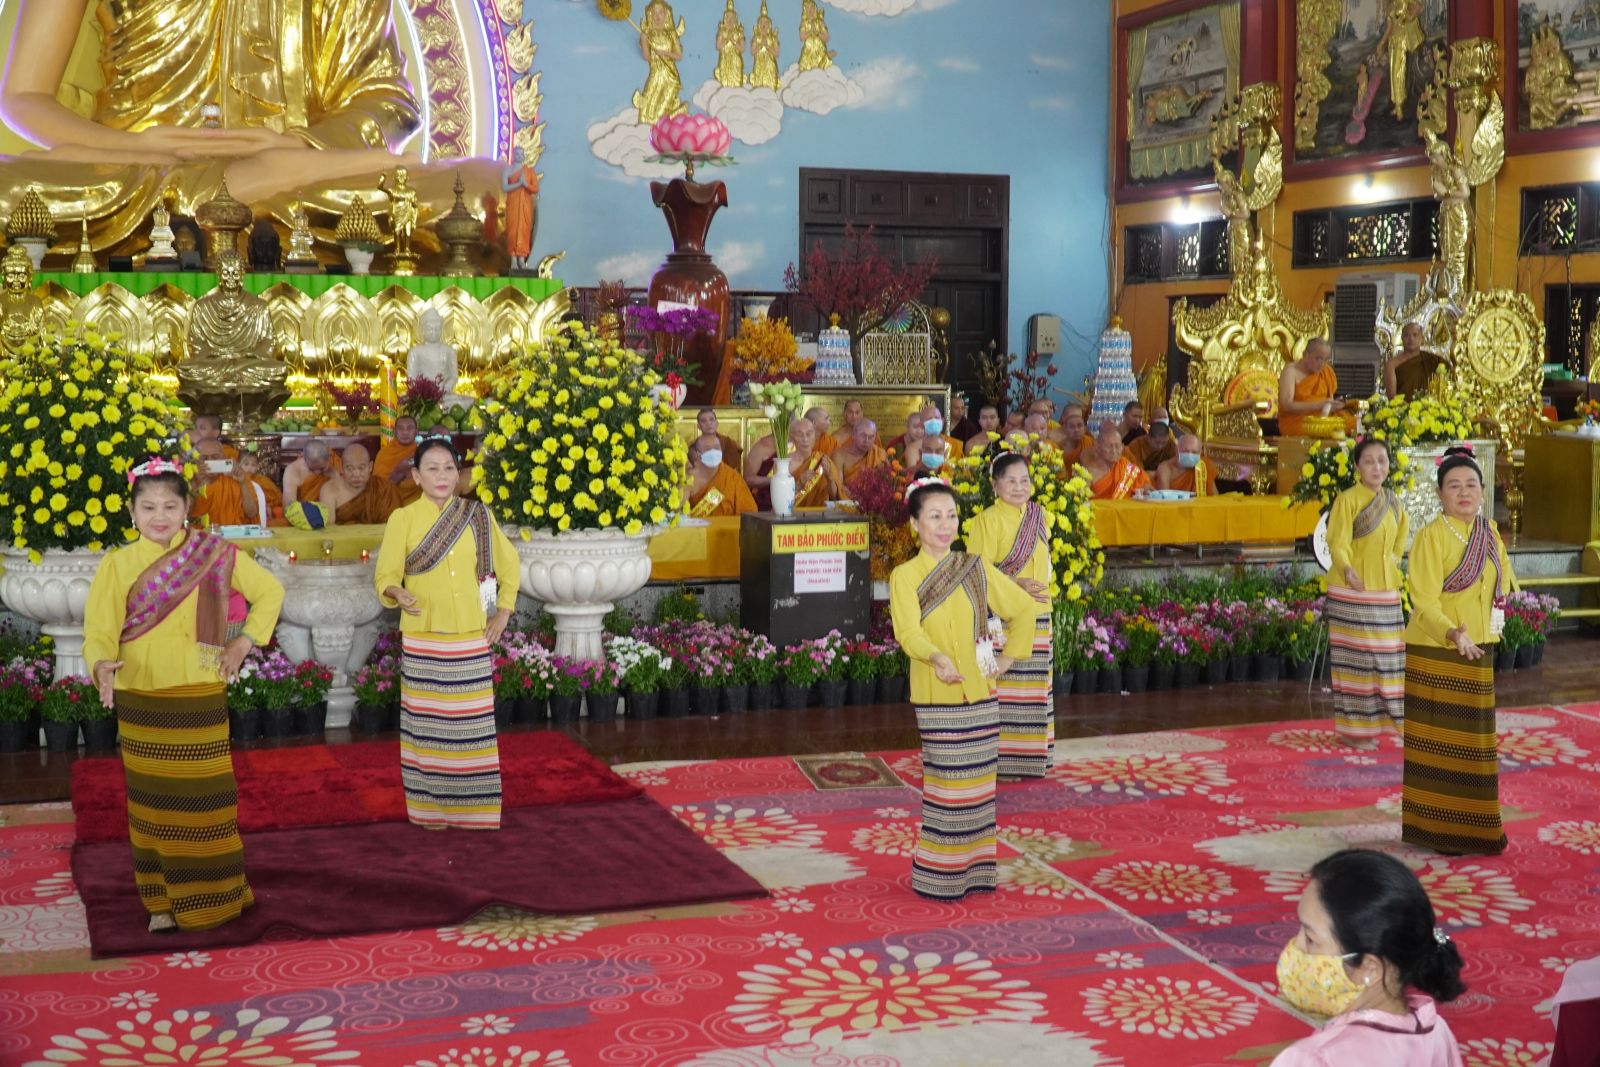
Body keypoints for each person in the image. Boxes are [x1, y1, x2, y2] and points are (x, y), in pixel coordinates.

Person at [84, 456, 284, 933]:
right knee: (151, 805)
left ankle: (219, 895)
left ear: (187, 508)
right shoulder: (116, 565)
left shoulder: (213, 552)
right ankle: (161, 901)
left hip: (200, 690)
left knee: (207, 801)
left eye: (170, 506)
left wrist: (243, 641)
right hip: (142, 695)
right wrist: (100, 664)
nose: (159, 517)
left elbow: (270, 592)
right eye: (148, 507)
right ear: (131, 512)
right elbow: (99, 629)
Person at [889, 477, 1042, 900]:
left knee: (979, 792)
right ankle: (937, 875)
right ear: (915, 524)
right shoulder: (904, 575)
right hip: (936, 697)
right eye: (935, 516)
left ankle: (976, 874)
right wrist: (936, 657)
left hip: (982, 693)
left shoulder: (975, 565)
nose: (945, 525)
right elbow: (908, 632)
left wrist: (1007, 660)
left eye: (951, 516)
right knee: (948, 790)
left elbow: (1024, 608)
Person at [374, 437, 521, 830]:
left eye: (449, 468)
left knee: (471, 729)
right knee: (427, 730)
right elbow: (386, 575)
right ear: (416, 476)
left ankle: (474, 811)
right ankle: (431, 811)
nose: (442, 476)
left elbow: (510, 565)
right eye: (432, 468)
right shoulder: (402, 519)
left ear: (459, 475)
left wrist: (503, 611)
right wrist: (397, 592)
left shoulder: (478, 516)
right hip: (422, 635)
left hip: (470, 635)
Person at [1400, 445, 1515, 856]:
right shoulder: (1430, 537)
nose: (1464, 492)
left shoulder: (1491, 533)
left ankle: (1476, 829)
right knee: (1439, 746)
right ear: (1439, 493)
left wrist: (1493, 629)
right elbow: (1423, 601)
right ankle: (1437, 831)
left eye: (1471, 484)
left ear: (1483, 490)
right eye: (1454, 486)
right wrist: (1452, 633)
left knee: (1475, 745)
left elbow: (1503, 586)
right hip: (1437, 651)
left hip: (1478, 648)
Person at [1270, 849, 1466, 1065]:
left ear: (1368, 969)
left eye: (1310, 939)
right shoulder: (1437, 1032)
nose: (1295, 945)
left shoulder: (1313, 1059)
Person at [963, 452, 1055, 778]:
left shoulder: (1039, 516)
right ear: (995, 485)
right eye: (1011, 481)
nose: (1019, 487)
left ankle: (1033, 759)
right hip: (1000, 617)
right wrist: (1016, 584)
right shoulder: (985, 521)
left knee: (1034, 690)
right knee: (1002, 691)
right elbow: (978, 569)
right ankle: (998, 762)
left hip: (1039, 612)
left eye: (1024, 480)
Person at [1326, 438, 1410, 747]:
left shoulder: (1394, 502)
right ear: (1357, 467)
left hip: (1385, 590)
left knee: (1390, 660)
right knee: (1357, 662)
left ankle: (1394, 723)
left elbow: (1401, 538)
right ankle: (1355, 731)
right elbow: (1337, 541)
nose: (1377, 467)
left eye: (1382, 461)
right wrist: (1347, 568)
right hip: (1352, 590)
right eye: (1369, 461)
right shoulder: (1347, 500)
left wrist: (1392, 561)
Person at [752, 417, 845, 510]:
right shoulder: (783, 464)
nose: (805, 439)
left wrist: (829, 478)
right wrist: (799, 484)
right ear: (791, 436)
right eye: (799, 434)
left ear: (815, 435)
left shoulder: (823, 460)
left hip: (820, 514)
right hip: (792, 515)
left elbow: (834, 498)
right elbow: (780, 501)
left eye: (809, 434)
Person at [189, 441, 284, 527]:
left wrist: (242, 483)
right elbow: (186, 514)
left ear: (224, 457)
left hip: (234, 534)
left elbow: (251, 513)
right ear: (196, 460)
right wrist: (195, 484)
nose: (210, 461)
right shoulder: (190, 479)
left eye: (215, 457)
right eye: (204, 458)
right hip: (200, 535)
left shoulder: (235, 478)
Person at [1279, 339, 1356, 437]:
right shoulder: (1291, 371)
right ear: (1305, 354)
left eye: (1325, 359)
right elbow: (1286, 405)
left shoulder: (1325, 371)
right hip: (1298, 421)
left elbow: (1328, 401)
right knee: (1326, 430)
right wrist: (1318, 405)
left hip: (1323, 418)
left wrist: (1333, 405)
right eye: (1318, 359)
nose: (1322, 364)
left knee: (1357, 424)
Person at [321, 443, 403, 525]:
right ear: (341, 467)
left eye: (361, 468)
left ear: (370, 467)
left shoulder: (383, 488)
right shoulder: (329, 490)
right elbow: (329, 529)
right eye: (350, 468)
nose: (356, 474)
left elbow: (393, 525)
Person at [687, 432, 757, 517]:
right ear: (698, 455)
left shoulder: (731, 477)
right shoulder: (688, 477)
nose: (713, 452)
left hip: (729, 525)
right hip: (697, 525)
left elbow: (750, 513)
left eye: (717, 447)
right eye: (707, 448)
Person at [1081, 419, 1151, 500]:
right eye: (1109, 446)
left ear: (1122, 447)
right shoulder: (1088, 473)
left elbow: (1144, 484)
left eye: (1117, 446)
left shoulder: (1127, 468)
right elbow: (1080, 501)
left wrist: (1146, 488)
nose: (1114, 451)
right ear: (1098, 447)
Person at [1383, 322, 1446, 399]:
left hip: (1430, 405)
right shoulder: (1392, 364)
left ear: (1422, 338)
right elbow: (1392, 397)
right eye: (1406, 335)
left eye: (1415, 335)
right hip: (1402, 406)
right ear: (1402, 338)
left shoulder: (1432, 360)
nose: (1411, 339)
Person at [374, 415, 422, 502]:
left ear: (416, 432)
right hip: (391, 503)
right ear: (395, 432)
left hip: (417, 502)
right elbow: (378, 490)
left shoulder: (422, 452)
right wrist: (399, 473)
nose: (405, 432)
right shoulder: (384, 454)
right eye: (401, 428)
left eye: (409, 428)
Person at [1154, 434, 1218, 496]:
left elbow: (1214, 496)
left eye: (1194, 452)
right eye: (1185, 451)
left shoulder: (1204, 466)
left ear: (1200, 453)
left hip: (1201, 503)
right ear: (1176, 450)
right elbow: (1164, 497)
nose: (1190, 455)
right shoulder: (1165, 468)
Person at [282, 438, 340, 504]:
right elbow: (289, 506)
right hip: (302, 509)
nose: (317, 473)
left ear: (328, 459)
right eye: (311, 469)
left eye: (321, 469)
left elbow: (340, 495)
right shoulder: (293, 471)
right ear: (304, 459)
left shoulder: (332, 467)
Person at [833, 418, 888, 484]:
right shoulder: (839, 456)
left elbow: (886, 482)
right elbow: (838, 486)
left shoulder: (879, 454)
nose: (866, 440)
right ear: (853, 435)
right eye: (863, 435)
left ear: (875, 438)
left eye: (871, 437)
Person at [693, 408, 743, 474]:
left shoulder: (728, 443)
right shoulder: (693, 445)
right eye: (703, 421)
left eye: (711, 420)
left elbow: (733, 469)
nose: (708, 423)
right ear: (698, 426)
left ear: (716, 423)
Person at [1055, 403, 1095, 470]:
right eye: (1072, 417)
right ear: (1063, 417)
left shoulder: (1087, 440)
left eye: (1079, 417)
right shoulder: (1053, 437)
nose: (1075, 420)